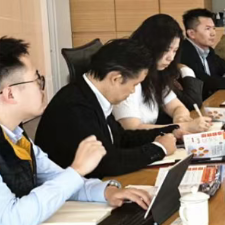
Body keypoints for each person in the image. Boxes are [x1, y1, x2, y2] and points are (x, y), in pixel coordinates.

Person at [0, 37, 151, 225]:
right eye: (36, 80)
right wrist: (77, 170)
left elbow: (58, 179)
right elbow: (13, 222)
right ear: (10, 93)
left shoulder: (16, 135)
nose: (42, 87)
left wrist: (106, 192)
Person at [36, 39, 178, 179]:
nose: (133, 91)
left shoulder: (91, 94)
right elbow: (106, 162)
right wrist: (159, 148)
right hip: (72, 189)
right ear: (116, 79)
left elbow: (121, 139)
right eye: (134, 84)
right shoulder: (74, 106)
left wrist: (170, 131)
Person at [113, 14, 211, 133]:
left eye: (174, 51)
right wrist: (181, 127)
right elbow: (132, 128)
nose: (171, 57)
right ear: (150, 46)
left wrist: (180, 117)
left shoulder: (157, 74)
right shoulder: (128, 75)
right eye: (166, 50)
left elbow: (176, 107)